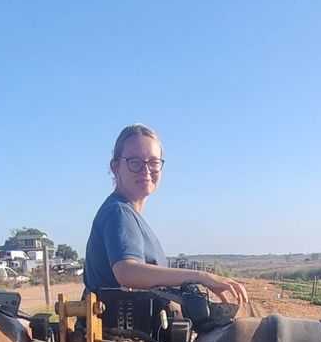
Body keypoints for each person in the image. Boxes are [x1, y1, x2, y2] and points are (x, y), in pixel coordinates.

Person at [83, 124, 248, 306]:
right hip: (118, 331)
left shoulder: (130, 216)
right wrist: (201, 276)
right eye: (135, 162)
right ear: (115, 167)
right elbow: (127, 272)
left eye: (153, 162)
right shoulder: (118, 211)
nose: (146, 171)